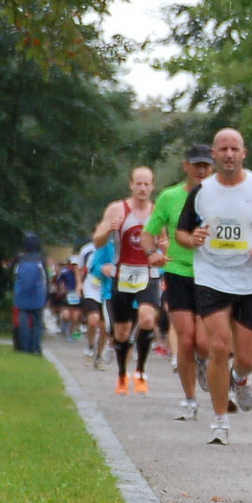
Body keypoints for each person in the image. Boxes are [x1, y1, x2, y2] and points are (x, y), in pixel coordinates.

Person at [174, 128, 252, 444]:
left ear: (243, 153)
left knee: (248, 357)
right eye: (222, 149)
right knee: (219, 346)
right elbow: (181, 234)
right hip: (212, 276)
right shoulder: (202, 192)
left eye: (233, 148)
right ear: (214, 154)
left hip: (250, 279)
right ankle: (220, 421)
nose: (228, 154)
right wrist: (193, 239)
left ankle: (241, 378)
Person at [144, 144, 214, 420]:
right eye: (196, 165)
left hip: (213, 275)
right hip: (179, 272)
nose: (201, 170)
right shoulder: (169, 197)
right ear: (185, 166)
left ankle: (205, 362)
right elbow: (148, 234)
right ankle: (189, 398)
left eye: (206, 165)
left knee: (204, 342)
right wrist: (152, 253)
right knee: (186, 340)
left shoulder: (222, 197)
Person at [92, 166, 162, 395]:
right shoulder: (116, 209)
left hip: (148, 274)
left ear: (153, 186)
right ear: (131, 184)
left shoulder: (157, 211)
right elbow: (98, 241)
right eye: (138, 184)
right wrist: (108, 230)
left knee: (147, 318)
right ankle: (122, 374)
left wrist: (163, 250)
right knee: (121, 332)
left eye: (147, 184)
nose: (142, 188)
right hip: (123, 275)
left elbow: (164, 241)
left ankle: (140, 371)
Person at [11, 232, 49, 354]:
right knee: (37, 322)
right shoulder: (41, 260)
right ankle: (36, 347)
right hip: (37, 295)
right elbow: (45, 279)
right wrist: (47, 295)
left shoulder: (19, 259)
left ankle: (24, 347)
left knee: (23, 323)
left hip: (22, 295)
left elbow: (15, 276)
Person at [82, 238, 115, 369]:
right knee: (92, 321)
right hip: (93, 288)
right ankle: (90, 346)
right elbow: (84, 268)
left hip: (109, 290)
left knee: (104, 327)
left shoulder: (117, 245)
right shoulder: (88, 250)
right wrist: (102, 268)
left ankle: (99, 356)